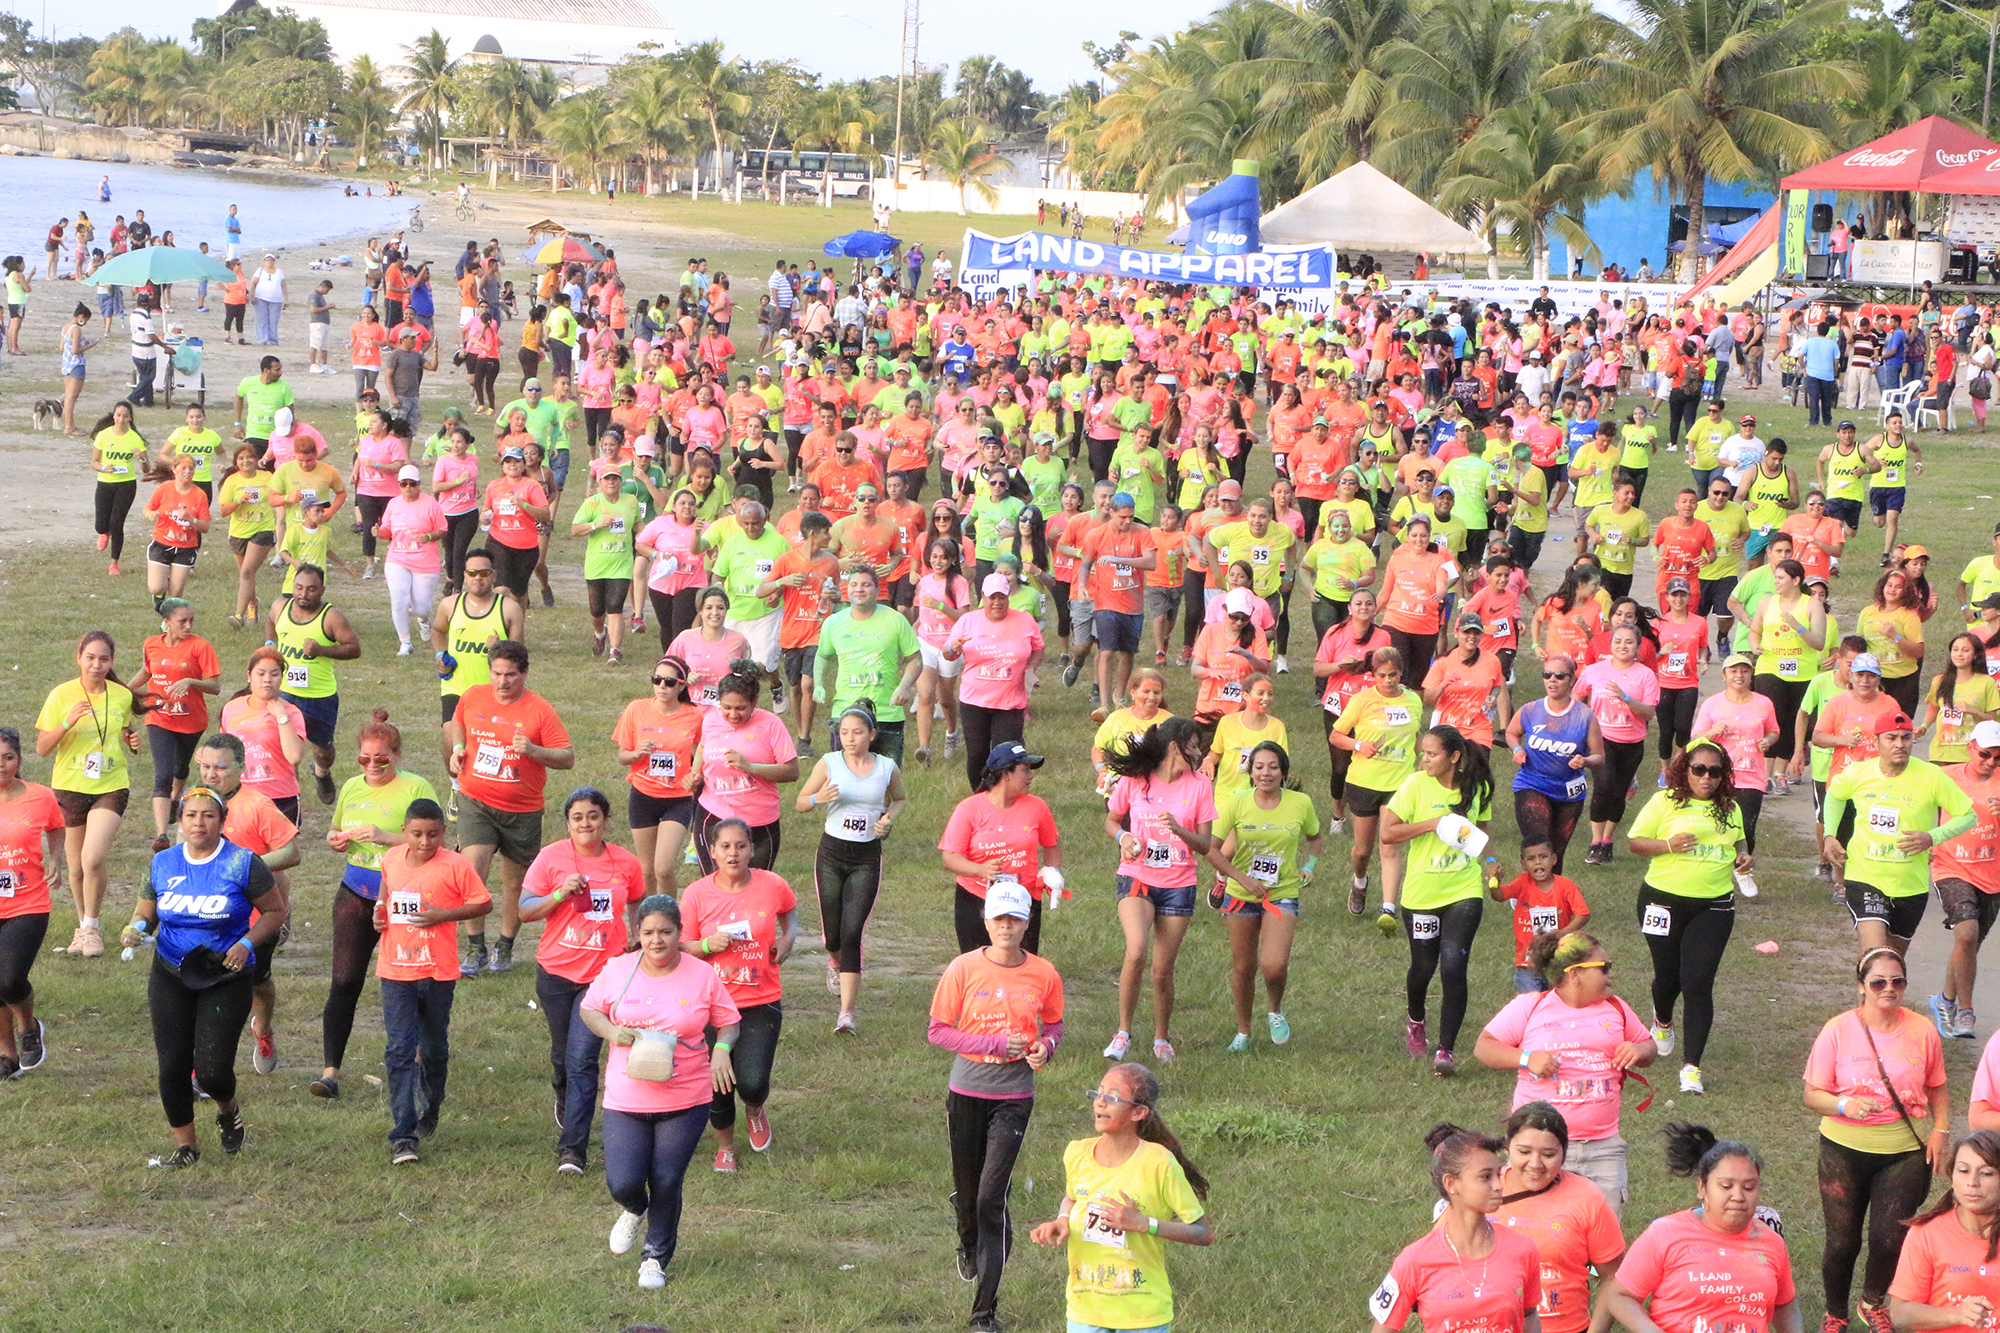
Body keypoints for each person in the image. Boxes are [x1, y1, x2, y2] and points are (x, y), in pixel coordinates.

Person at [579, 893, 741, 1291]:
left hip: (686, 1097)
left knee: (667, 1179)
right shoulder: (619, 969)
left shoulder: (701, 974)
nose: (657, 940)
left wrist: (721, 1052)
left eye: (666, 932)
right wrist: (611, 1031)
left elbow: (729, 1022)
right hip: (626, 1099)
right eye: (649, 932)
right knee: (623, 1182)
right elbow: (590, 1009)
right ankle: (635, 1209)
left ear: (680, 933)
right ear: (638, 934)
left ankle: (655, 1258)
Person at [122, 787, 288, 1168]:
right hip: (170, 973)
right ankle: (186, 1148)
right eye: (192, 815)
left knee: (212, 1072)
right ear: (180, 820)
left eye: (208, 815)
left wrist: (246, 943)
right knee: (173, 1065)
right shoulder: (163, 863)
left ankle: (227, 1108)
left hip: (225, 975)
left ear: (222, 820)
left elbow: (275, 912)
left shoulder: (244, 863)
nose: (199, 823)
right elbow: (146, 913)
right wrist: (134, 928)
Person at [928, 881, 1063, 1333]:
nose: (1007, 927)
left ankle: (983, 1313)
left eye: (1015, 919)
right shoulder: (963, 968)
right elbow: (938, 1031)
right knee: (970, 1195)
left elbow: (1055, 1024)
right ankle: (966, 1236)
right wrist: (991, 1043)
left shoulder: (1043, 973)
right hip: (967, 1091)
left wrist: (1045, 1046)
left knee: (992, 1198)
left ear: (1027, 923)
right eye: (999, 919)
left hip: (1014, 1096)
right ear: (986, 922)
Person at [1805, 945, 1950, 1333]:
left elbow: (1937, 1086)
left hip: (1904, 1151)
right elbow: (1811, 1094)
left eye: (1898, 981)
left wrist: (1941, 1130)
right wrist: (1842, 1105)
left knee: (1890, 1238)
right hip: (1843, 1150)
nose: (1889, 988)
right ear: (1862, 987)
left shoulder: (1922, 1030)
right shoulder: (1837, 1029)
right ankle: (1835, 1313)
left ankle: (1872, 1302)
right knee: (1841, 1242)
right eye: (1879, 982)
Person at [1029, 1063, 1213, 1333]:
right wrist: (1062, 1219)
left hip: (1142, 1315)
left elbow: (1203, 1233)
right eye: (1098, 1093)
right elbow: (1071, 1198)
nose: (1100, 1103)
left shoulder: (1159, 1163)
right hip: (1085, 1310)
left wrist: (1143, 1223)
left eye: (1113, 1097)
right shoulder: (1077, 1153)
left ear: (1138, 1112)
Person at [517, 787, 644, 1175]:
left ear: (605, 820)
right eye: (577, 817)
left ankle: (572, 1150)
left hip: (603, 978)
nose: (585, 823)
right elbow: (524, 911)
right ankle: (563, 1095)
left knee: (582, 1060)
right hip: (556, 973)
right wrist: (559, 893)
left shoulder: (624, 861)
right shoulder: (551, 857)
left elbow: (638, 900)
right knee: (563, 1058)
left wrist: (635, 939)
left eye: (593, 816)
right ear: (568, 822)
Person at [1628, 739, 1752, 1094]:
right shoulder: (1665, 801)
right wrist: (1668, 845)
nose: (1707, 778)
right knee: (1668, 978)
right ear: (1686, 771)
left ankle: (1691, 1068)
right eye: (1699, 770)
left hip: (1713, 905)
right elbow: (1635, 842)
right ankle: (1662, 1020)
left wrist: (1744, 856)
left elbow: (1740, 842)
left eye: (1715, 772)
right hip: (1661, 901)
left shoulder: (1730, 808)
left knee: (1697, 981)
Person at [446, 638, 574, 974]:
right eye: (497, 673)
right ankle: (475, 949)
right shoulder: (473, 696)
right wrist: (458, 748)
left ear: (525, 674)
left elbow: (567, 757)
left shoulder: (539, 710)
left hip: (522, 809)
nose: (503, 682)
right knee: (473, 870)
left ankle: (505, 946)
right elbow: (457, 720)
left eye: (511, 675)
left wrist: (533, 750)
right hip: (476, 800)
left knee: (515, 883)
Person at [371, 798, 487, 1165]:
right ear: (403, 832)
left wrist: (444, 915)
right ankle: (403, 1135)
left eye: (433, 834)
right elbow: (386, 892)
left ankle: (431, 1105)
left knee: (434, 1049)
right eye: (417, 834)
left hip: (438, 972)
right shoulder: (391, 859)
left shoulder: (455, 866)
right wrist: (379, 911)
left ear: (444, 833)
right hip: (396, 971)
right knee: (400, 1051)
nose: (425, 842)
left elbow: (482, 904)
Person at [1599, 1124, 1799, 1333]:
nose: (1738, 1197)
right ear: (1702, 1188)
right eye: (1726, 1186)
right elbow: (1619, 1296)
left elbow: (1785, 1302)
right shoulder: (1665, 1233)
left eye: (1749, 1187)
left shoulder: (1771, 1242)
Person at [678, 818, 796, 1172]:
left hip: (760, 999)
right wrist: (705, 944)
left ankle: (755, 1108)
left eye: (740, 846)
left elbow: (791, 912)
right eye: (725, 847)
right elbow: (680, 946)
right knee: (719, 1085)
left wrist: (789, 938)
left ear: (752, 850)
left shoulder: (772, 885)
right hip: (711, 1005)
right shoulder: (697, 894)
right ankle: (725, 1147)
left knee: (752, 1081)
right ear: (712, 852)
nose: (733, 853)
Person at [1100, 719, 1218, 1066]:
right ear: (1173, 747)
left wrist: (1180, 829)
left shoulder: (1199, 786)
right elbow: (1112, 820)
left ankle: (1161, 1038)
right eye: (1193, 746)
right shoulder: (1137, 780)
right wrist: (1124, 838)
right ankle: (1122, 1032)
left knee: (1161, 970)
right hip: (1136, 876)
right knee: (1136, 951)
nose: (1198, 753)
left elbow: (1205, 843)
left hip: (1179, 884)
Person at [1382, 726, 1495, 1076]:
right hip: (1421, 893)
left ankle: (1445, 1050)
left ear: (1454, 757)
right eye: (1423, 753)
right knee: (1423, 967)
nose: (1424, 759)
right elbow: (1387, 832)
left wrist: (1490, 862)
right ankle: (1416, 1020)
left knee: (1453, 966)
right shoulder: (1415, 785)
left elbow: (1481, 832)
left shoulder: (1477, 787)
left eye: (1431, 754)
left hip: (1464, 889)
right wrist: (1433, 823)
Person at [1203, 740, 1322, 1052]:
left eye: (1272, 766)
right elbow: (1211, 850)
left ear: (1283, 771)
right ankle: (1243, 1030)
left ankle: (1275, 1009)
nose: (1266, 773)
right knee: (1243, 967)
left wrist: (1309, 865)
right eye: (1259, 767)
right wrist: (1240, 878)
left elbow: (1315, 838)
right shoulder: (1236, 803)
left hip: (1281, 893)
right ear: (1250, 772)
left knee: (1273, 965)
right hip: (1241, 894)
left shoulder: (1300, 803)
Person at [1825, 708, 1975, 954]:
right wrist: (1830, 835)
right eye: (1891, 738)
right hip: (1865, 877)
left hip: (1910, 886)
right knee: (1876, 957)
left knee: (1893, 965)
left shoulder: (1931, 776)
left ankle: (1870, 992)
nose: (1900, 744)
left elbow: (1967, 815)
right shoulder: (1858, 774)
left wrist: (1931, 837)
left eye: (1906, 738)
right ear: (1876, 741)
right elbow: (1834, 796)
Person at [1367, 1124, 1544, 1333]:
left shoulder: (1522, 1249)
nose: (1498, 1185)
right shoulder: (1415, 1261)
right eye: (1485, 1177)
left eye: (1498, 1174)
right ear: (1451, 1183)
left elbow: (1530, 1314)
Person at [796, 703, 906, 1035]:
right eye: (844, 733)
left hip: (866, 857)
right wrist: (818, 798)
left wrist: (888, 819)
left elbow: (900, 799)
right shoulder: (829, 763)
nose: (850, 739)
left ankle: (846, 1014)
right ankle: (834, 959)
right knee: (833, 932)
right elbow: (800, 802)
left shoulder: (887, 767)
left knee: (852, 932)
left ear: (872, 735)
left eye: (857, 732)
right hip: (831, 854)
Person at [36, 631, 143, 958]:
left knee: (92, 857)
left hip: (110, 784)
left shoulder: (121, 695)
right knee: (76, 867)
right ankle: (83, 927)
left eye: (104, 659)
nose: (96, 665)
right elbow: (42, 748)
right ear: (79, 657)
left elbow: (122, 726)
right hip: (69, 786)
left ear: (112, 661)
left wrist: (130, 739)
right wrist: (66, 723)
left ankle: (93, 928)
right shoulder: (60, 695)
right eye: (90, 658)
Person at [1480, 1100, 1630, 1327]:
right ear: (1507, 1147)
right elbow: (1440, 1260)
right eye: (1524, 1152)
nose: (1535, 1164)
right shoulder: (1480, 1189)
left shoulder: (1586, 1197)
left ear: (1564, 1153)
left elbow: (1612, 1275)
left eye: (1548, 1154)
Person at [1332, 646, 1424, 929]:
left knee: (1390, 845)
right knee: (1363, 850)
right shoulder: (1362, 701)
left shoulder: (1412, 701)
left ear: (1401, 674)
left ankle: (1388, 909)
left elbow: (1416, 735)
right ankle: (1360, 880)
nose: (1388, 680)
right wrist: (1361, 745)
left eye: (1393, 675)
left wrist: (1425, 761)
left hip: (1399, 783)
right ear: (1373, 675)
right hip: (1363, 782)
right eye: (1382, 675)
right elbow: (1337, 735)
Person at [1887, 1131, 2000, 1333]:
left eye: (1986, 1173)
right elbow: (1900, 1313)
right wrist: (1956, 1314)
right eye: (1964, 1170)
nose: (1972, 1182)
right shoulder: (1926, 1234)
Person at [942, 573, 1046, 791]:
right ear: (983, 597)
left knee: (1007, 754)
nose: (997, 603)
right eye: (992, 598)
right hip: (974, 701)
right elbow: (947, 653)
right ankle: (980, 798)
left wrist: (1030, 670)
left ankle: (1005, 797)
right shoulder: (968, 621)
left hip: (1010, 702)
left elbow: (1039, 647)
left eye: (1002, 597)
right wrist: (953, 649)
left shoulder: (1025, 621)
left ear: (1008, 597)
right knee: (977, 754)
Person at [0, 728, 64, 1077]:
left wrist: (55, 858)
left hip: (28, 901)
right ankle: (7, 1055)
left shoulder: (40, 797)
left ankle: (28, 1025)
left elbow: (56, 826)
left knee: (9, 981)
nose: (2, 765)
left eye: (8, 758)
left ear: (19, 760)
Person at [268, 565, 360, 806]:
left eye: (311, 589)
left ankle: (322, 772)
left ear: (322, 590)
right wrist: (270, 643)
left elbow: (353, 648)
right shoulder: (281, 607)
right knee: (285, 750)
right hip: (285, 693)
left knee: (323, 750)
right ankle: (289, 796)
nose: (303, 594)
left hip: (319, 696)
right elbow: (270, 620)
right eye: (299, 588)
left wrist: (322, 650)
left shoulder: (331, 617)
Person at [613, 656, 704, 899]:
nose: (662, 686)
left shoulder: (695, 716)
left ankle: (669, 916)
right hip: (643, 795)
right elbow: (622, 756)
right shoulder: (636, 709)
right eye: (657, 680)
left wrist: (696, 774)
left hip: (678, 798)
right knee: (646, 871)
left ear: (682, 685)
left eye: (669, 682)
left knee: (662, 868)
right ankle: (651, 922)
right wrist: (636, 753)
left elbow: (705, 751)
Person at [1931, 720, 2000, 1040]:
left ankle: (1945, 1000)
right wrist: (1925, 842)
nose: (1990, 762)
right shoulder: (1946, 777)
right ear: (1971, 747)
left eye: (1998, 758)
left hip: (1992, 875)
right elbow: (1918, 805)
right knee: (1967, 933)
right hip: (1951, 867)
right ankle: (1966, 1013)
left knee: (1968, 944)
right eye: (1985, 754)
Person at [134, 601, 221, 852]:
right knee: (163, 774)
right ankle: (162, 834)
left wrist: (191, 681)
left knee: (181, 767)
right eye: (182, 621)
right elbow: (146, 672)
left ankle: (175, 799)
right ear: (167, 622)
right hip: (159, 717)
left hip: (191, 721)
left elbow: (215, 686)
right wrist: (124, 691)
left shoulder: (200, 646)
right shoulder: (151, 644)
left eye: (191, 620)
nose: (188, 625)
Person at [812, 568, 921, 762]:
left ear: (878, 590)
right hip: (845, 713)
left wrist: (904, 687)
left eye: (866, 585)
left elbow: (915, 659)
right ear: (847, 589)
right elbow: (822, 656)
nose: (859, 590)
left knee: (887, 782)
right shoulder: (833, 623)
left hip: (887, 713)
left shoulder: (895, 619)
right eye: (854, 585)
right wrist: (818, 684)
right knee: (844, 782)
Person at [91, 400, 149, 576]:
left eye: (125, 416)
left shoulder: (135, 438)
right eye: (118, 415)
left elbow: (147, 469)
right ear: (113, 416)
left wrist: (141, 458)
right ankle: (103, 532)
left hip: (126, 484)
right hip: (105, 483)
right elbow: (93, 462)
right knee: (101, 524)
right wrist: (102, 468)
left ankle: (114, 563)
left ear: (130, 418)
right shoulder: (103, 436)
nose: (121, 419)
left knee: (117, 523)